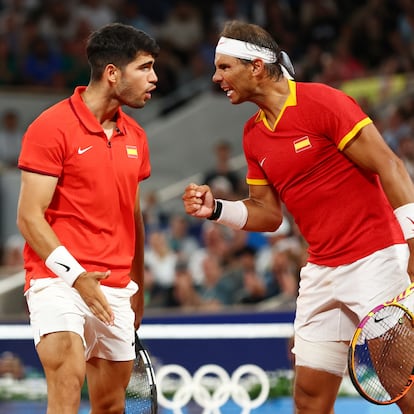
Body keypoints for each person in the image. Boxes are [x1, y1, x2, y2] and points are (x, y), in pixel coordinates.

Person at [182, 20, 414, 414]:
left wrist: (412, 249)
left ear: (256, 66)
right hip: (321, 269)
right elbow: (268, 215)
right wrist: (217, 209)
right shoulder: (253, 135)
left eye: (224, 67)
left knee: (400, 383)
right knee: (307, 395)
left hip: (376, 259)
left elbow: (390, 166)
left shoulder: (323, 101)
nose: (215, 76)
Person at [16, 23, 159, 414]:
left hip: (115, 288)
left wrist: (139, 289)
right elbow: (29, 218)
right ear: (112, 73)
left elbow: (133, 218)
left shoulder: (137, 138)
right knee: (67, 375)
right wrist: (77, 277)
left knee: (110, 405)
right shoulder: (51, 127)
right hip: (58, 280)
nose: (154, 78)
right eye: (144, 68)